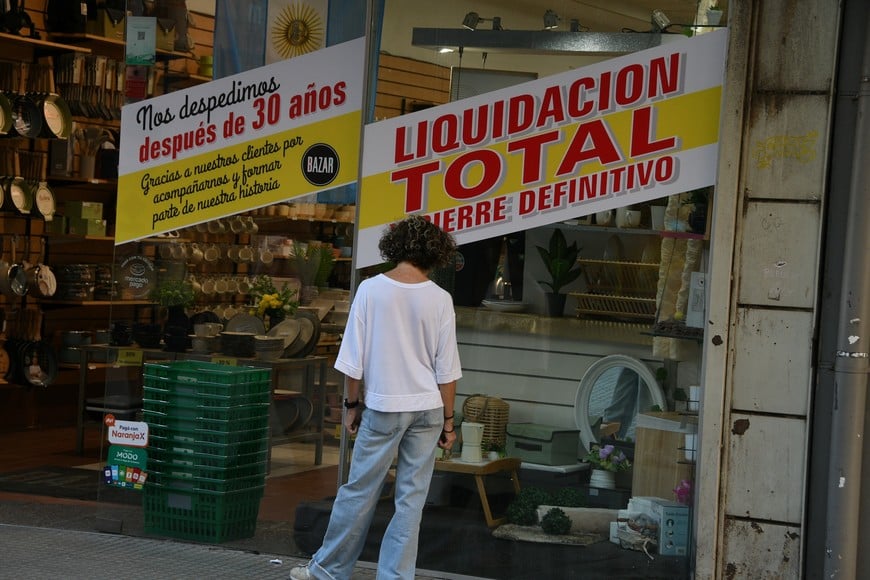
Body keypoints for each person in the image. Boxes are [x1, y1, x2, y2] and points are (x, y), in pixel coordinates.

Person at [291, 215, 462, 580]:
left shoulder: (371, 290)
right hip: (428, 408)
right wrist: (449, 421)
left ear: (395, 246)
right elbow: (446, 371)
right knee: (410, 502)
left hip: (385, 407)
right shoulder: (440, 299)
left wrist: (352, 406)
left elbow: (353, 363)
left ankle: (327, 571)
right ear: (435, 253)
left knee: (359, 493)